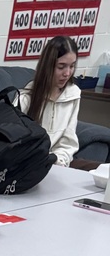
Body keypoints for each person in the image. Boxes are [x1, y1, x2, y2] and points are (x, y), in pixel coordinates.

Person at [18, 35, 80, 168]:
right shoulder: (25, 98)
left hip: (59, 163)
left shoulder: (73, 94)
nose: (67, 73)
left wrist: (59, 160)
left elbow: (68, 142)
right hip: (31, 164)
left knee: (98, 170)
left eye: (72, 66)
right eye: (61, 67)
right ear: (48, 66)